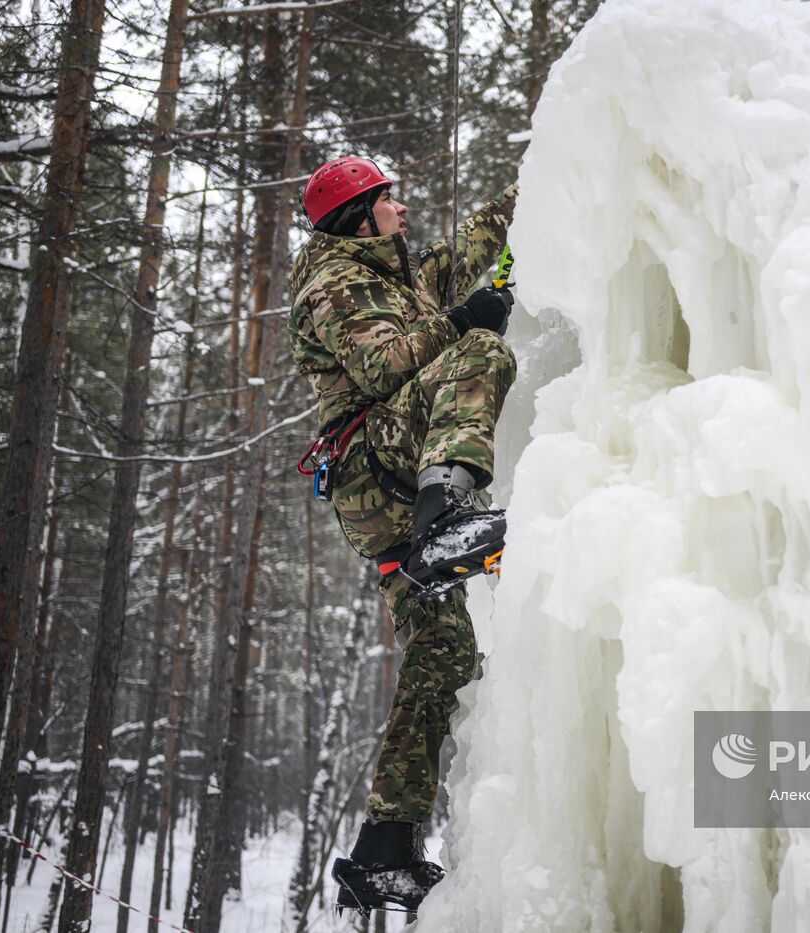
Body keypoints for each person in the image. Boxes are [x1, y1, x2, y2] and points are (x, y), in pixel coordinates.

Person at [287, 155, 517, 915]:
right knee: (481, 352)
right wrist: (461, 322)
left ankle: (385, 844)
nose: (403, 209)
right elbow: (384, 364)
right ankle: (445, 507)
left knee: (440, 649)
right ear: (358, 216)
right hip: (374, 467)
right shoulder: (333, 281)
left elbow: (463, 254)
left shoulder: (392, 276)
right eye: (390, 200)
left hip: (383, 492)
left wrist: (527, 191)